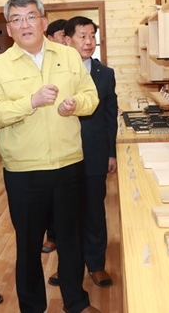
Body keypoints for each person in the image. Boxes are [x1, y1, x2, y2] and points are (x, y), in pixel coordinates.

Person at [0, 0, 100, 313]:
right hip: (24, 171)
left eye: (31, 16)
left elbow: (91, 97)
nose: (25, 24)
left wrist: (77, 104)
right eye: (16, 19)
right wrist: (30, 103)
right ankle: (32, 308)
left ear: (44, 21)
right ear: (9, 29)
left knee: (71, 242)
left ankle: (76, 302)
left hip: (68, 165)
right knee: (29, 246)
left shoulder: (68, 56)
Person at [49, 16, 118, 289]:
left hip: (94, 153)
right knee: (65, 214)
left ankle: (96, 264)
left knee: (94, 211)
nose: (89, 41)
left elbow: (110, 116)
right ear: (68, 39)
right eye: (82, 36)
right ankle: (68, 268)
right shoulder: (55, 72)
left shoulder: (105, 74)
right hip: (63, 153)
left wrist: (110, 153)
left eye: (92, 36)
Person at [41, 19, 67, 255]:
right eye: (62, 35)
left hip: (73, 152)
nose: (66, 40)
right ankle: (53, 236)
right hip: (41, 156)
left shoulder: (72, 62)